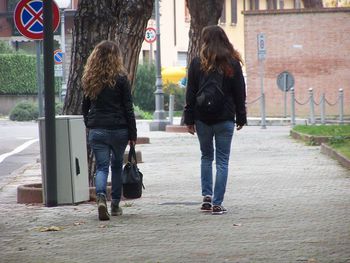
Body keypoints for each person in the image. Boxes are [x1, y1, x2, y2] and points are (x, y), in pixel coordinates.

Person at [184, 25, 247, 215]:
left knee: (205, 157)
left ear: (205, 41)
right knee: (222, 161)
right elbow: (239, 93)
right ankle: (218, 203)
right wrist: (241, 117)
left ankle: (207, 197)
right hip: (225, 118)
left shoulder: (197, 63)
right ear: (224, 39)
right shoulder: (232, 63)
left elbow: (191, 92)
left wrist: (189, 118)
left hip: (202, 118)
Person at [82, 40, 137, 221]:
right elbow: (128, 108)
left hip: (97, 129)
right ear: (116, 58)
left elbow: (85, 106)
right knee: (116, 165)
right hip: (119, 129)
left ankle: (100, 198)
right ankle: (115, 205)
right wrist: (132, 134)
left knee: (102, 167)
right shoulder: (121, 79)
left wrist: (89, 124)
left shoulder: (90, 78)